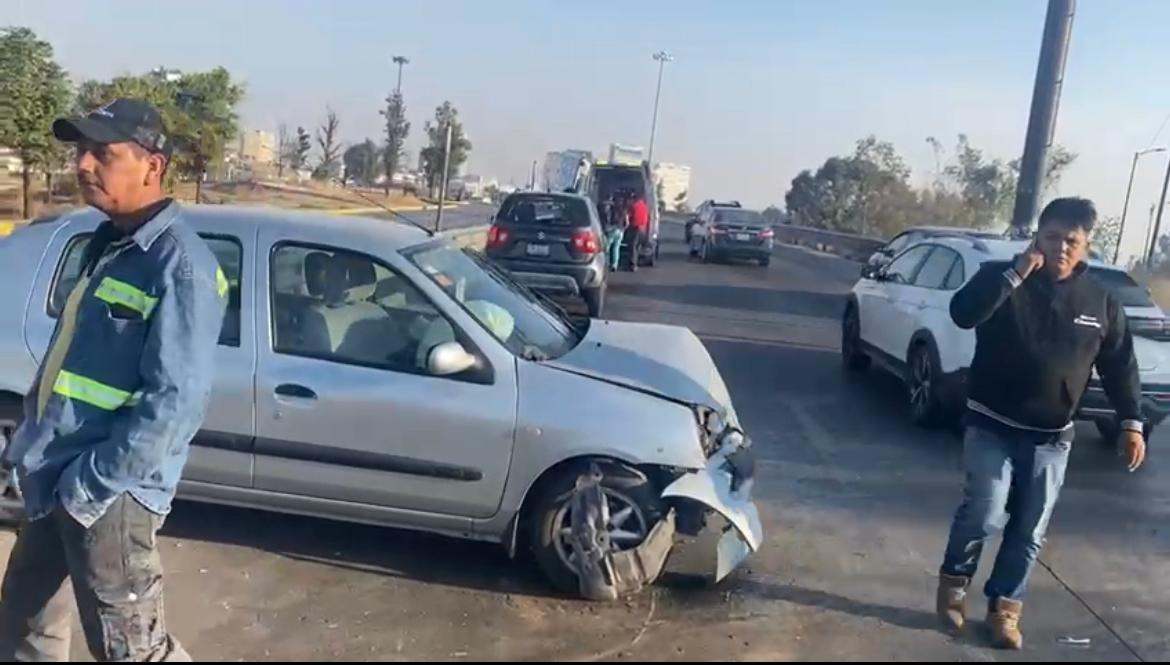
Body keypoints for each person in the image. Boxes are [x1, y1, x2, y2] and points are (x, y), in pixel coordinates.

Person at [0, 99, 227, 662]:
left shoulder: (180, 266)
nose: (82, 165)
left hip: (106, 494)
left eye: (103, 152)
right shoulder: (107, 245)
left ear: (152, 166)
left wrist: (92, 485)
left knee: (132, 650)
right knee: (24, 625)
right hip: (53, 474)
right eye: (81, 151)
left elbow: (175, 404)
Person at [936, 197, 1146, 650]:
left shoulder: (1101, 303)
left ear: (1086, 246)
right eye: (1052, 237)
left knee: (1029, 528)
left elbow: (1120, 365)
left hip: (1052, 437)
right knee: (985, 511)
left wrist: (1131, 422)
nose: (1061, 248)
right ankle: (953, 591)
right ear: (1037, 237)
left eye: (1072, 241)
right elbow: (962, 313)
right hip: (991, 423)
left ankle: (1004, 610)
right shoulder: (1001, 278)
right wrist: (1015, 275)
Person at [625, 193, 650, 272]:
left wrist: (626, 225)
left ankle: (633, 264)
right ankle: (636, 262)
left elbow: (627, 216)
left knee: (633, 246)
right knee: (637, 246)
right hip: (643, 229)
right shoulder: (645, 206)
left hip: (635, 228)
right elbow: (648, 217)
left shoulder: (634, 206)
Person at [604, 192, 628, 272]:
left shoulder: (611, 209)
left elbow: (607, 219)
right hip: (620, 230)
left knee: (606, 248)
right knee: (616, 248)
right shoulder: (624, 210)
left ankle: (605, 263)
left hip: (611, 230)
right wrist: (623, 229)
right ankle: (614, 265)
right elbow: (627, 223)